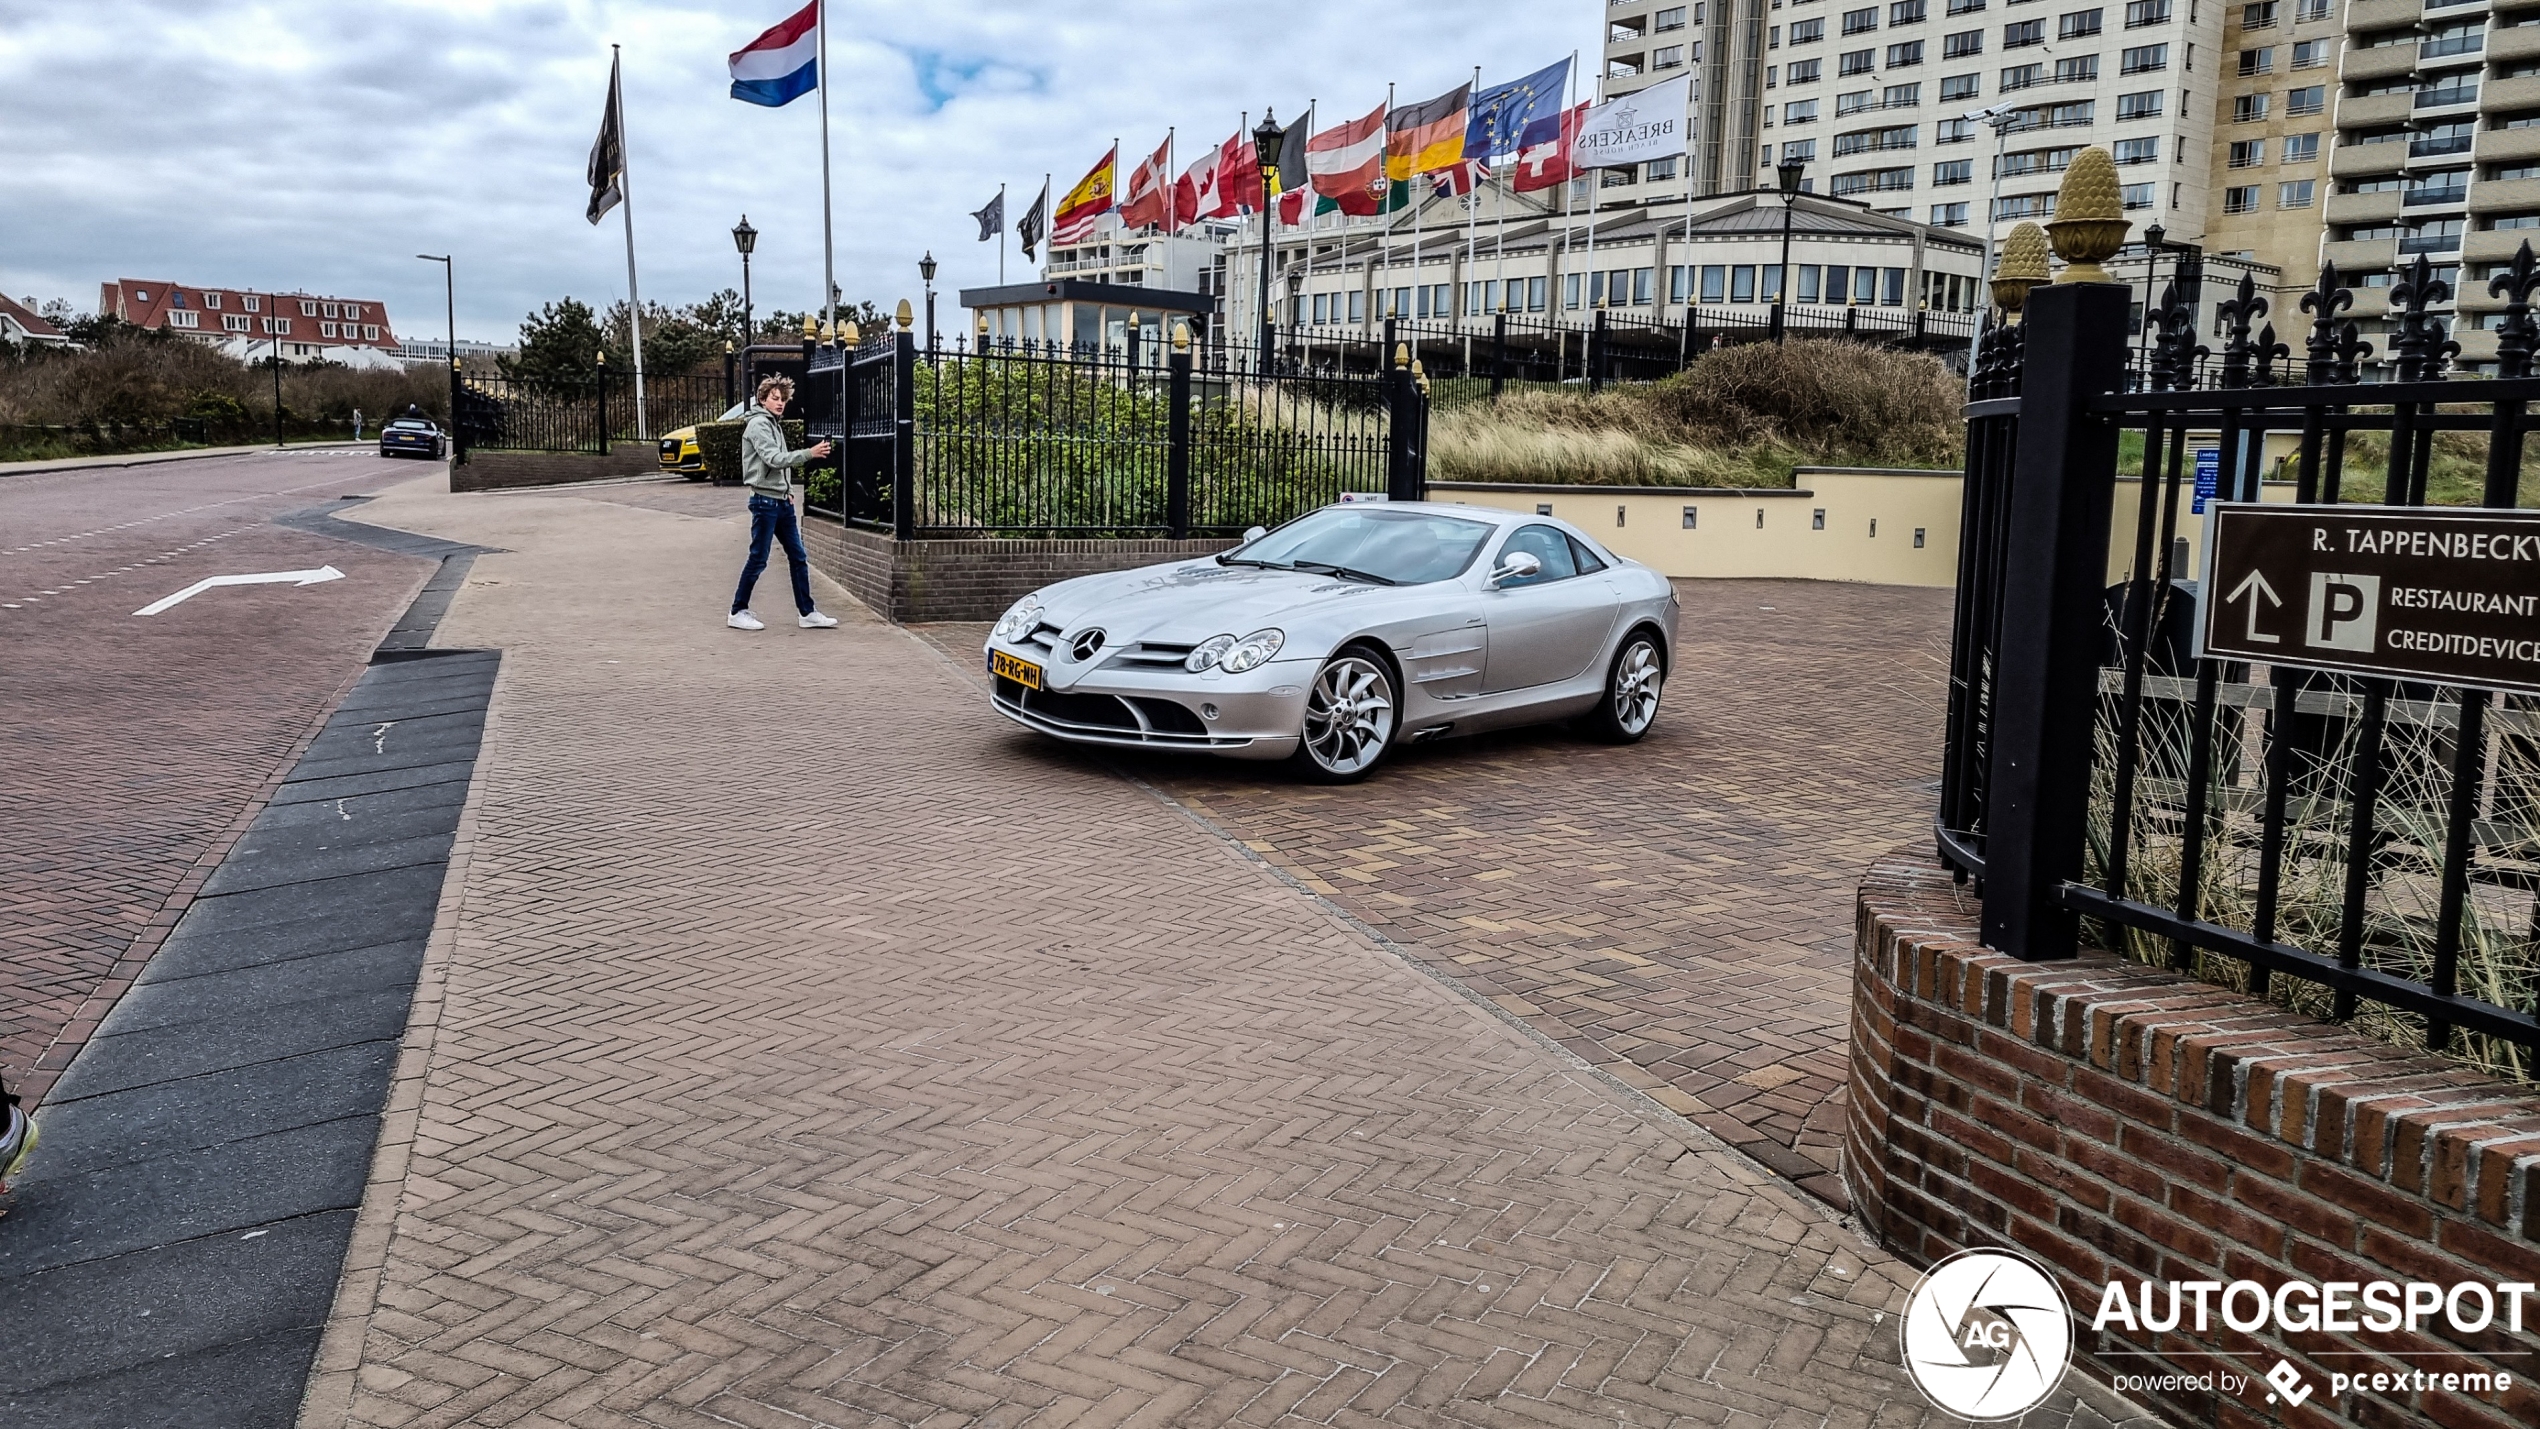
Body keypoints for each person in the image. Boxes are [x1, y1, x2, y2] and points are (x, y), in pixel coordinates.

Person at [729, 375, 838, 631]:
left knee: (798, 557)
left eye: (783, 399)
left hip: (780, 502)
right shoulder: (758, 425)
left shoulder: (773, 423)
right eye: (775, 399)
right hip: (764, 503)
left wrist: (787, 490)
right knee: (758, 558)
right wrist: (810, 453)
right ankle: (737, 611)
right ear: (763, 399)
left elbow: (779, 466)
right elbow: (774, 459)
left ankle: (807, 613)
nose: (780, 403)